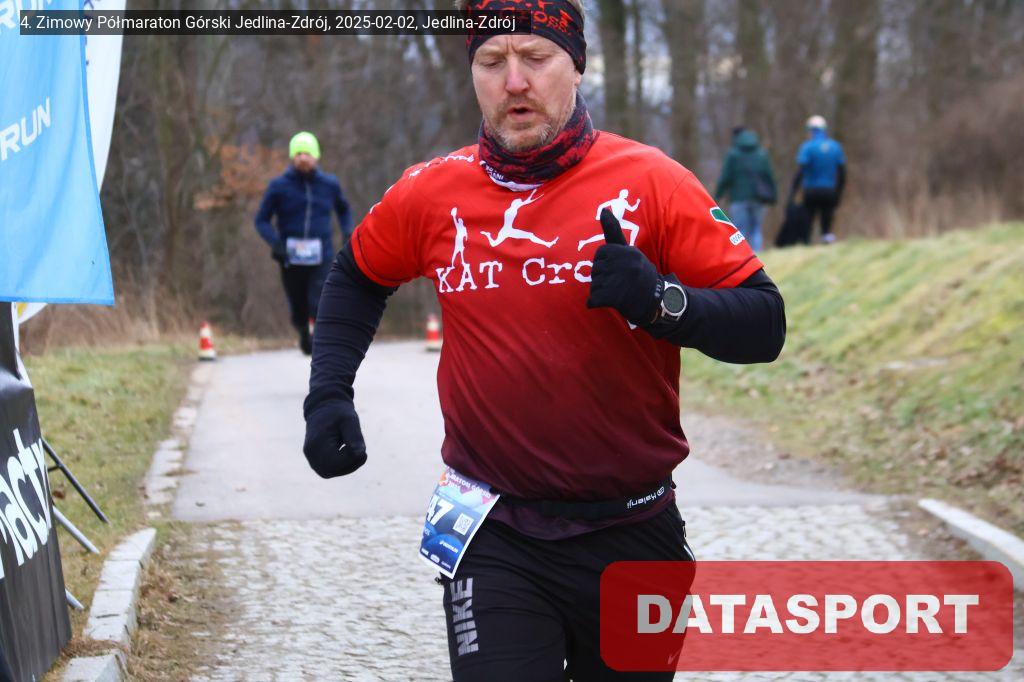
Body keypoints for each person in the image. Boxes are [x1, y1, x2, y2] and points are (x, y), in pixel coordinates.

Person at [302, 1, 786, 678]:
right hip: (491, 528)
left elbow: (765, 323)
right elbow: (356, 275)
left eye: (535, 57)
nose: (514, 81)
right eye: (491, 61)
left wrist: (660, 301)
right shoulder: (432, 192)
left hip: (634, 530)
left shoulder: (652, 182)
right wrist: (328, 393)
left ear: (577, 66)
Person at [254, 131, 352, 354]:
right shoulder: (279, 186)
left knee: (319, 299)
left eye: (307, 153)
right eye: (298, 153)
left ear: (316, 156)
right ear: (292, 157)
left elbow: (344, 210)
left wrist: (347, 232)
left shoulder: (329, 184)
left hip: (321, 253)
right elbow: (261, 221)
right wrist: (276, 243)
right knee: (298, 304)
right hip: (290, 255)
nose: (303, 158)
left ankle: (318, 339)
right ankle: (302, 330)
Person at [714, 127, 777, 251]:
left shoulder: (733, 155)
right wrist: (774, 196)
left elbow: (725, 177)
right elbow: (769, 177)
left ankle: (742, 255)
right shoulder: (762, 154)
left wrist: (717, 196)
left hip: (738, 198)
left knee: (739, 229)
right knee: (756, 228)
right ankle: (757, 255)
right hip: (758, 198)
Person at [791, 115, 846, 244]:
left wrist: (793, 191)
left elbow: (800, 171)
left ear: (810, 131)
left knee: (808, 218)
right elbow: (842, 173)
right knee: (827, 218)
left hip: (811, 190)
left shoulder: (807, 147)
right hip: (830, 190)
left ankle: (807, 243)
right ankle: (826, 239)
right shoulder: (835, 146)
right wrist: (838, 192)